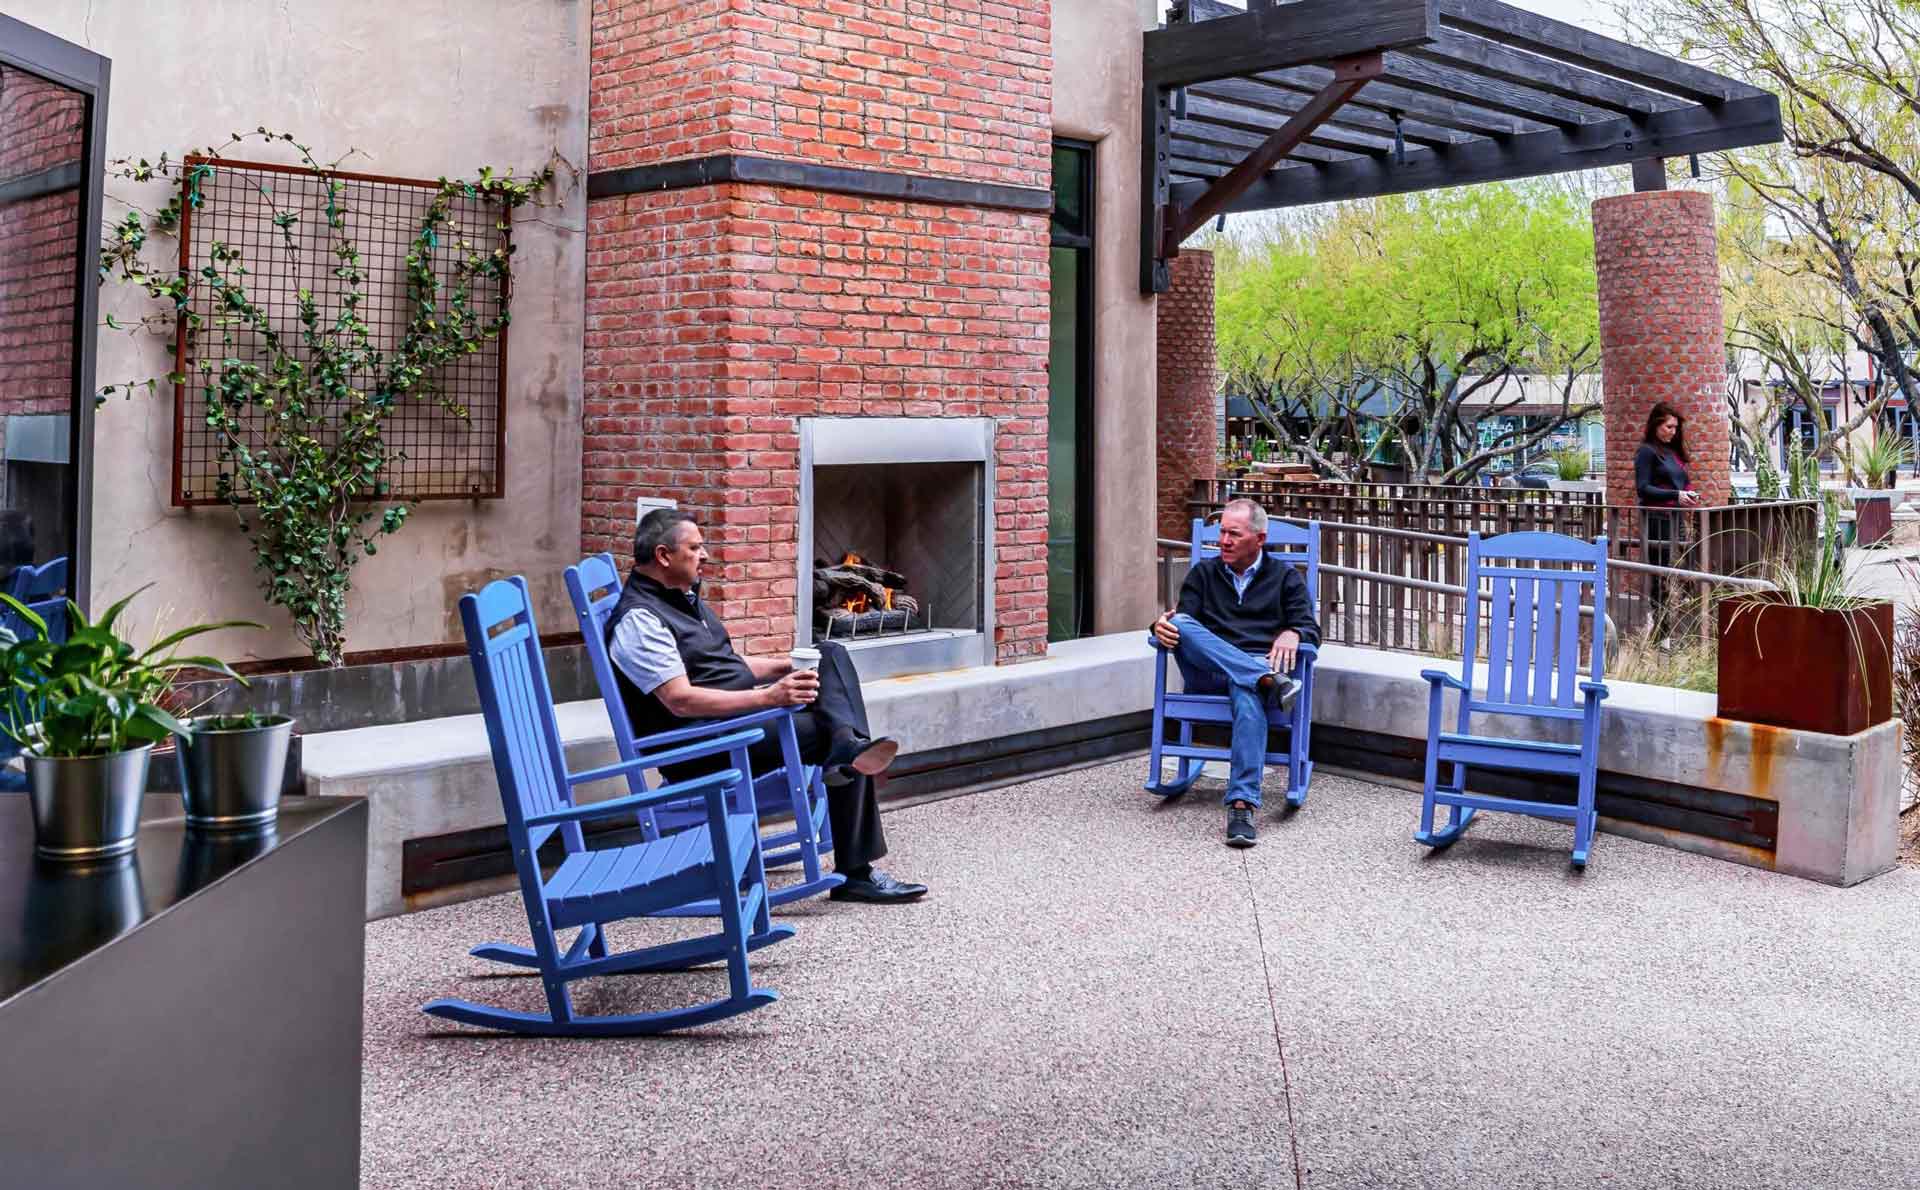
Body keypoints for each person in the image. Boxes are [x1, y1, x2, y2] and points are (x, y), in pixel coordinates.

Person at [605, 508, 929, 904]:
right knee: (825, 731)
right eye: (695, 547)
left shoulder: (681, 598)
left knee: (830, 653)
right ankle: (855, 869)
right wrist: (768, 697)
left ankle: (848, 746)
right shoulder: (640, 620)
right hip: (702, 745)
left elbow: (725, 666)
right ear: (663, 556)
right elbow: (680, 700)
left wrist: (788, 663)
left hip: (737, 722)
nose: (705, 555)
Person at [1149, 498, 1320, 849]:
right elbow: (1183, 622)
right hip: (1207, 673)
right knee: (1182, 622)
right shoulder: (1204, 574)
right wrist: (1159, 627)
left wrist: (1295, 633)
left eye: (1234, 534)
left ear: (1260, 539)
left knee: (1247, 694)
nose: (1224, 541)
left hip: (1246, 682)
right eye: (1222, 533)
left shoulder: (1286, 578)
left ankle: (1241, 805)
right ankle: (1263, 677)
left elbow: (1311, 629)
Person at [1634, 402, 1699, 633]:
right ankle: (1661, 625)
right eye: (1669, 427)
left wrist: (1689, 493)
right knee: (1660, 571)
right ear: (1656, 425)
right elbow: (1642, 488)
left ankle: (1674, 621)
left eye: (1676, 428)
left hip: (1676, 518)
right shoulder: (1647, 452)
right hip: (1657, 518)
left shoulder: (1672, 451)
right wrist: (1676, 495)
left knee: (1685, 565)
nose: (1673, 432)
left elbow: (1682, 479)